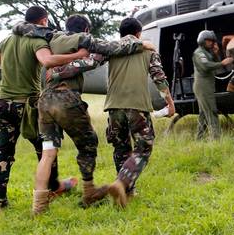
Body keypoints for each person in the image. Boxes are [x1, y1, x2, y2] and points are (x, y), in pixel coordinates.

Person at [22, 14, 152, 214]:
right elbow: (109, 49)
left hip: (44, 102)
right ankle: (88, 191)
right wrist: (140, 45)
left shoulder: (51, 39)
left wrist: (55, 72)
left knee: (48, 153)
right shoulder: (82, 39)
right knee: (88, 143)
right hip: (65, 98)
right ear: (86, 30)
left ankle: (38, 207)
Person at [0, 6, 88, 214]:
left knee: (2, 154)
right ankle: (52, 188)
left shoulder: (7, 40)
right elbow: (47, 61)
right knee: (46, 148)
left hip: (3, 104)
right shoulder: (37, 40)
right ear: (44, 21)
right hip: (27, 106)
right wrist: (78, 54)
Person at [104, 17, 175, 207]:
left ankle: (126, 193)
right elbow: (159, 78)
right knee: (144, 147)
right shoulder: (147, 49)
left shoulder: (111, 48)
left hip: (113, 106)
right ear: (138, 34)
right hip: (137, 106)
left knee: (121, 148)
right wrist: (169, 103)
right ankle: (122, 183)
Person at [192, 30, 234, 140]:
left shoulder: (207, 53)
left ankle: (199, 138)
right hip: (203, 87)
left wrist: (216, 55)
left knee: (203, 114)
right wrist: (222, 62)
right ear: (202, 40)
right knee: (211, 111)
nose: (211, 43)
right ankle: (216, 138)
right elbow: (206, 66)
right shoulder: (199, 53)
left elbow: (215, 67)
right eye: (208, 41)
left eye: (212, 41)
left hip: (206, 86)